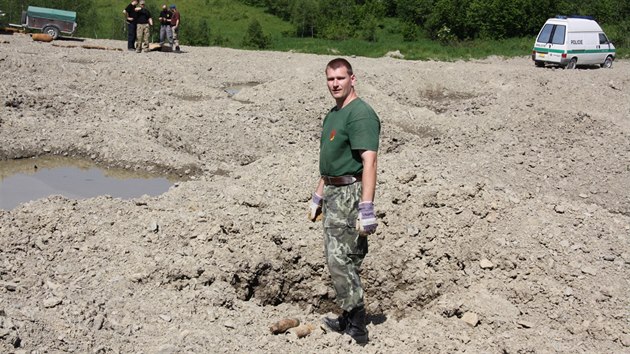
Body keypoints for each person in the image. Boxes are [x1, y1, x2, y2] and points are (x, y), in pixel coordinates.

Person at [309, 58, 381, 344]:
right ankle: (348, 315)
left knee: (342, 259)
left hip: (350, 194)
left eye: (340, 78)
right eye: (330, 79)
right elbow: (330, 162)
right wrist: (318, 194)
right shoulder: (334, 114)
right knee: (337, 258)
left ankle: (358, 325)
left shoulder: (360, 114)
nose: (335, 84)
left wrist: (366, 207)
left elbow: (369, 160)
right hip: (333, 192)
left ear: (353, 78)